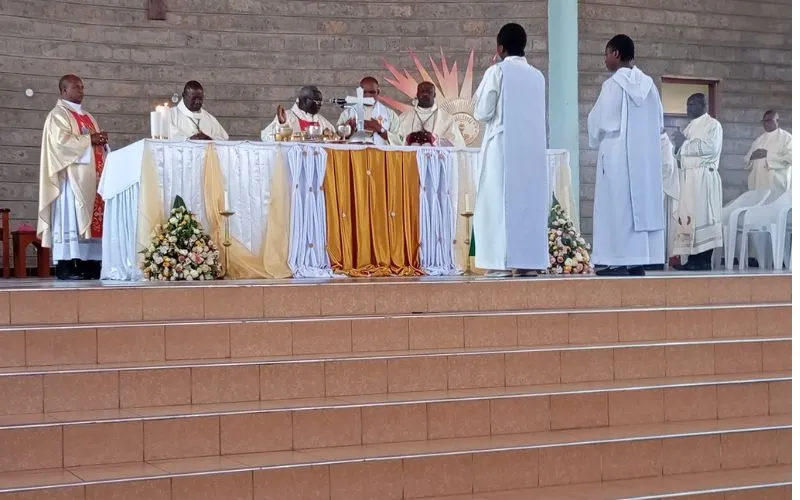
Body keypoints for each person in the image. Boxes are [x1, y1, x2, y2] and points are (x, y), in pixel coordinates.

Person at [472, 23, 549, 277]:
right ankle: (528, 262)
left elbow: (482, 111)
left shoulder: (498, 71)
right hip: (532, 151)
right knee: (528, 203)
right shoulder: (537, 76)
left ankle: (499, 262)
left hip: (502, 147)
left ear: (500, 48)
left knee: (497, 201)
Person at [588, 34, 665, 276]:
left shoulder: (613, 85)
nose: (605, 60)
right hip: (645, 159)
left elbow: (602, 121)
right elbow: (659, 122)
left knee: (616, 206)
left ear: (616, 54)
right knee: (638, 209)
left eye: (606, 54)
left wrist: (592, 131)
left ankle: (616, 261)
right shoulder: (649, 85)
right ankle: (637, 261)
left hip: (617, 155)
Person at [37, 75, 108, 280]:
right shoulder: (57, 115)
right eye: (76, 87)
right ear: (64, 90)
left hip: (92, 178)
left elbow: (94, 143)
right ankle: (66, 266)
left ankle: (90, 263)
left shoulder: (88, 116)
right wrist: (89, 139)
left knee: (93, 220)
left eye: (82, 87)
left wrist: (102, 142)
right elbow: (60, 144)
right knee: (70, 219)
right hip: (70, 179)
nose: (81, 90)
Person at [672, 93, 723, 270]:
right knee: (690, 218)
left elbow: (711, 148)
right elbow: (680, 154)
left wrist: (684, 143)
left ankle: (704, 261)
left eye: (692, 104)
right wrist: (677, 145)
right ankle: (692, 260)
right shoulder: (689, 127)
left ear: (704, 106)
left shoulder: (713, 125)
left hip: (703, 178)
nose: (688, 108)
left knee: (703, 217)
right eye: (687, 104)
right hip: (689, 178)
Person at [397, 82, 465, 147]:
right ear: (417, 94)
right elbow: (394, 140)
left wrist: (435, 140)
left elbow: (457, 143)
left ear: (434, 95)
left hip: (437, 155)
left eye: (429, 92)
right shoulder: (404, 117)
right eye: (422, 91)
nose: (425, 94)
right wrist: (407, 139)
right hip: (410, 155)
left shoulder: (446, 118)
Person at [337, 76, 402, 145]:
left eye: (372, 92)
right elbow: (335, 140)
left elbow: (399, 142)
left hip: (380, 152)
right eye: (364, 92)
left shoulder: (390, 115)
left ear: (378, 92)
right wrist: (348, 131)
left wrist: (380, 129)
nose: (368, 95)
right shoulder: (348, 113)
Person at [261, 85, 335, 141]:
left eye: (321, 102)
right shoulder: (287, 117)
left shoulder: (321, 121)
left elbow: (335, 137)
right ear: (304, 100)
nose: (320, 105)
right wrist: (282, 124)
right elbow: (266, 137)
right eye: (317, 102)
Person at [744, 110, 792, 192]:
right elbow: (747, 159)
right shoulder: (758, 140)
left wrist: (768, 155)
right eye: (764, 121)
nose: (766, 123)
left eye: (769, 120)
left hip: (776, 185)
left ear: (777, 121)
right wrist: (752, 156)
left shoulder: (787, 138)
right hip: (757, 183)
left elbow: (791, 158)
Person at [661, 129, 680, 262]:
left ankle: (661, 257)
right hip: (658, 189)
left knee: (664, 225)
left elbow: (667, 167)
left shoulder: (664, 142)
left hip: (663, 191)